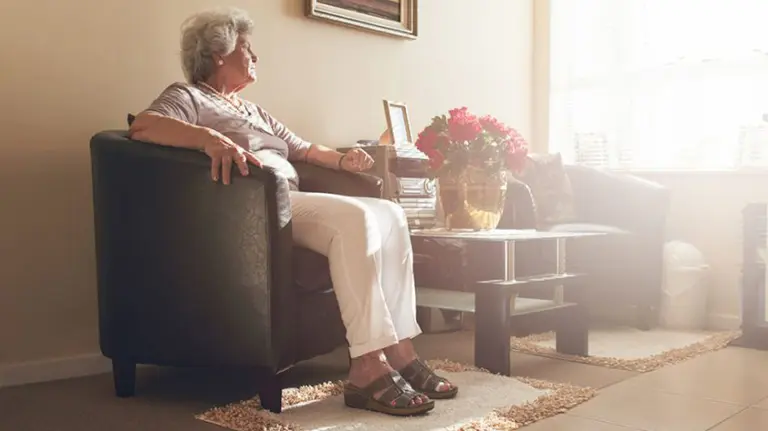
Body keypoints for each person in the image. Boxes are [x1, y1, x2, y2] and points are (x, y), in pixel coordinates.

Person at [128, 7, 457, 416]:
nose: (255, 56)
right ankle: (368, 367)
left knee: (390, 213)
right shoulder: (188, 97)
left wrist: (343, 160)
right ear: (218, 54)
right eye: (246, 47)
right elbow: (144, 125)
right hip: (251, 210)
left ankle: (401, 351)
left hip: (289, 203)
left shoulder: (253, 111)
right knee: (355, 219)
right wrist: (209, 138)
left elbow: (303, 149)